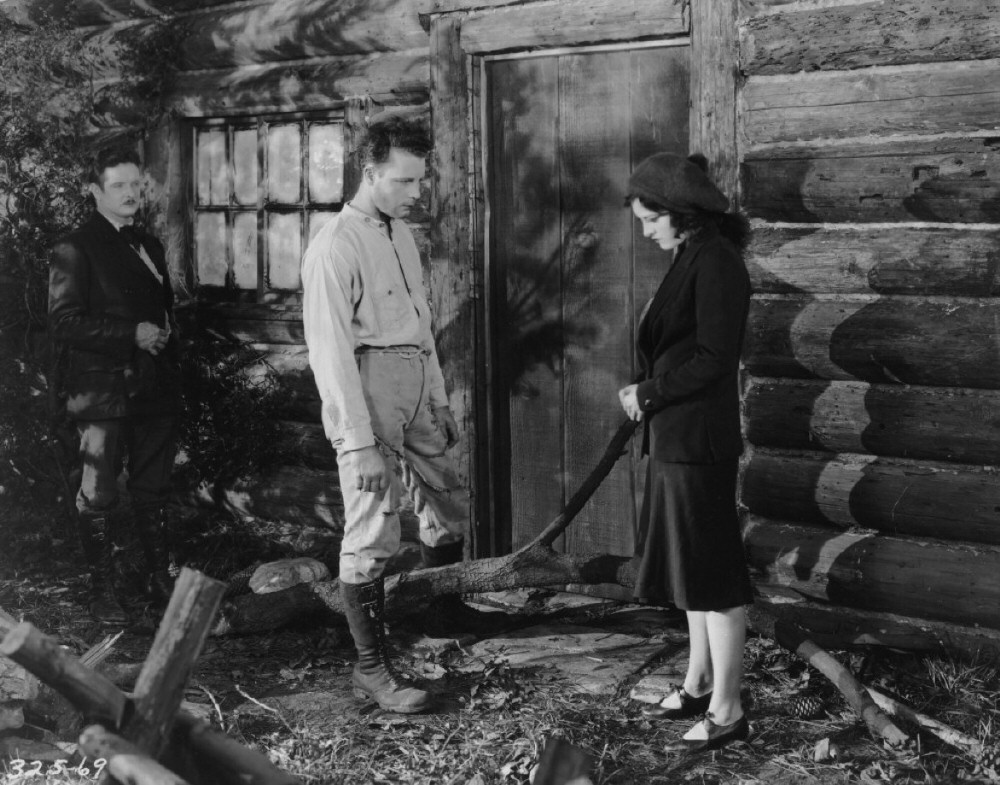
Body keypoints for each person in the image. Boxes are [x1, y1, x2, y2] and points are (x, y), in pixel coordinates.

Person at [301, 117, 472, 714]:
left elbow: (422, 326)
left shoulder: (400, 234)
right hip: (365, 386)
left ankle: (445, 610)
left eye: (420, 181)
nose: (415, 192)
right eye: (404, 181)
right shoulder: (334, 246)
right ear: (369, 174)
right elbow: (329, 353)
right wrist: (360, 442)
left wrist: (440, 398)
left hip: (415, 382)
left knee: (448, 497)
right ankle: (371, 669)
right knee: (374, 525)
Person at [618, 152, 754, 752]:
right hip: (676, 437)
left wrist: (648, 392)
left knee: (715, 574)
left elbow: (715, 359)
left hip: (699, 440)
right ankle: (698, 682)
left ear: (681, 215)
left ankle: (728, 708)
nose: (646, 232)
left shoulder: (717, 263)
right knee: (690, 570)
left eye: (651, 220)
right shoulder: (690, 257)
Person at [48, 146, 181, 625]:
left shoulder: (149, 244)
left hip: (152, 386)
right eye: (118, 186)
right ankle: (101, 590)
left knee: (153, 486)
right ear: (95, 192)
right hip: (102, 390)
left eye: (135, 185)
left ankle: (157, 578)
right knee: (99, 491)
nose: (130, 194)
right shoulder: (75, 247)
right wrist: (132, 334)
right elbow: (64, 323)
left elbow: (160, 307)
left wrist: (163, 336)